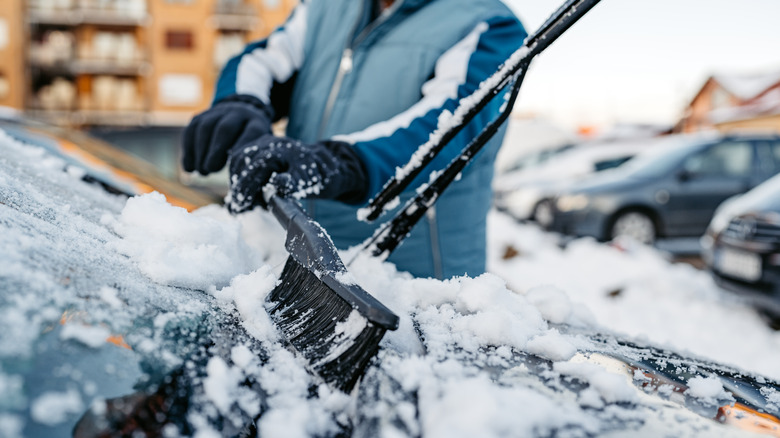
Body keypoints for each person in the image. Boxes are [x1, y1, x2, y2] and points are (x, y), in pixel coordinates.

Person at [181, 0, 527, 279]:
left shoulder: (487, 23)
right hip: (309, 273)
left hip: (420, 289)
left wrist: (336, 162)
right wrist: (241, 103)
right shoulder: (323, 8)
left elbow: (448, 127)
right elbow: (264, 60)